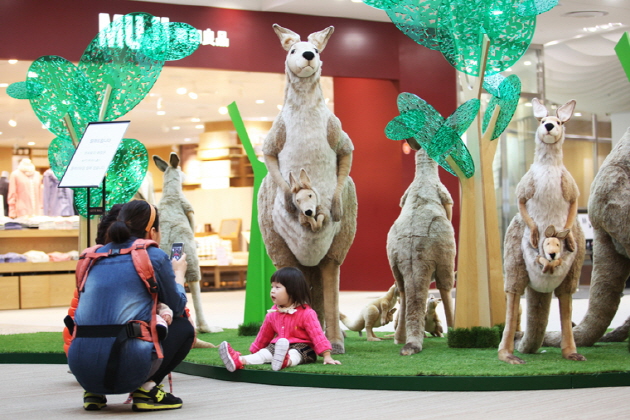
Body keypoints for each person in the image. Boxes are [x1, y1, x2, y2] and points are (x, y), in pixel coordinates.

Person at [68, 200, 195, 412]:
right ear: (152, 231)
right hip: (130, 364)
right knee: (182, 326)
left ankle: (94, 392)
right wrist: (179, 274)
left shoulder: (89, 257)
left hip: (82, 368)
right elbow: (177, 306)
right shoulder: (153, 255)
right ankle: (146, 390)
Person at [219, 266, 341, 371]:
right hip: (278, 347)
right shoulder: (273, 313)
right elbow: (264, 335)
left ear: (293, 290)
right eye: (272, 287)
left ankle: (286, 361)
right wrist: (255, 350)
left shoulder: (307, 313)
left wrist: (327, 356)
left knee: (295, 353)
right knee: (266, 352)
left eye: (277, 287)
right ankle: (239, 360)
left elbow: (317, 335)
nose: (272, 291)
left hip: (303, 348)